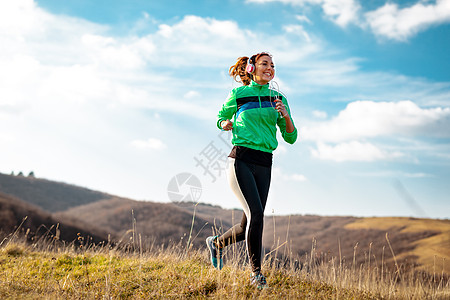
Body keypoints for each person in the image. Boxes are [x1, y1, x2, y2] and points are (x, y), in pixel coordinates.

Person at [206, 52, 298, 289]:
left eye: (273, 65)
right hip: (241, 160)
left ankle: (216, 243)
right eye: (264, 64)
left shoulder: (278, 98)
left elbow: (291, 137)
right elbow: (220, 118)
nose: (270, 68)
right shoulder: (239, 94)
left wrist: (285, 116)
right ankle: (256, 274)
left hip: (265, 162)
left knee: (247, 224)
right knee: (257, 214)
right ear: (251, 68)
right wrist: (224, 124)